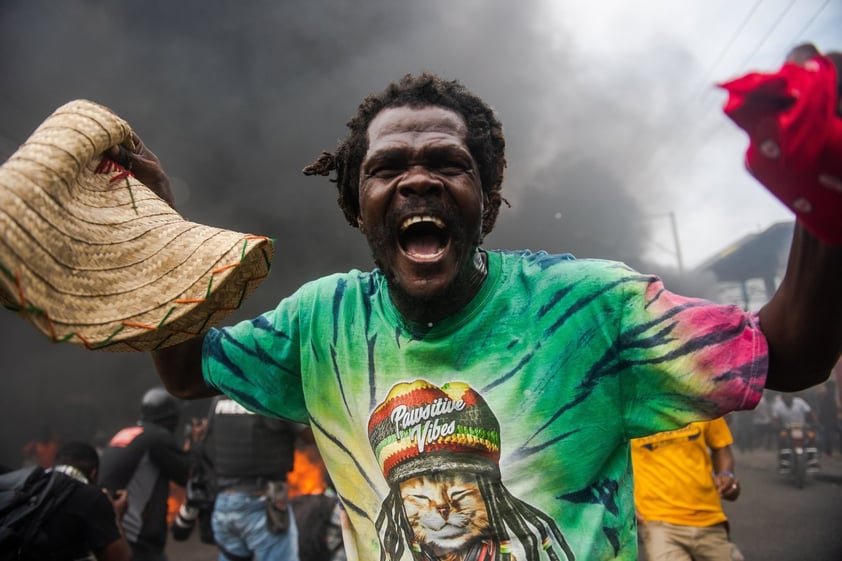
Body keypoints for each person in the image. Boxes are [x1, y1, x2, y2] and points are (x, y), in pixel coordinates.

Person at [103, 43, 842, 560]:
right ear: (356, 208)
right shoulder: (318, 323)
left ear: (485, 202)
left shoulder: (588, 308)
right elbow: (184, 372)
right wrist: (153, 237)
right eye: (387, 167)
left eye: (448, 163)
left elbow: (793, 352)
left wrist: (824, 195)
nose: (417, 180)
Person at [98, 386, 198, 561]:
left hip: (111, 531)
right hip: (135, 537)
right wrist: (195, 442)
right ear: (169, 418)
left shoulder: (130, 433)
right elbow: (188, 474)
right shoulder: (157, 437)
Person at [201, 395, 303, 561]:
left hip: (223, 504)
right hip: (261, 504)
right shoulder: (269, 393)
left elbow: (207, 445)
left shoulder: (219, 398)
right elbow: (310, 434)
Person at [631, 418, 744, 561]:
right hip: (658, 520)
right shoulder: (631, 407)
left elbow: (721, 446)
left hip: (709, 518)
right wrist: (624, 503)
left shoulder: (704, 401)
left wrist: (726, 475)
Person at [2, 441, 132, 561]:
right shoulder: (92, 496)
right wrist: (115, 517)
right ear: (93, 473)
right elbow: (120, 558)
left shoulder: (28, 485)